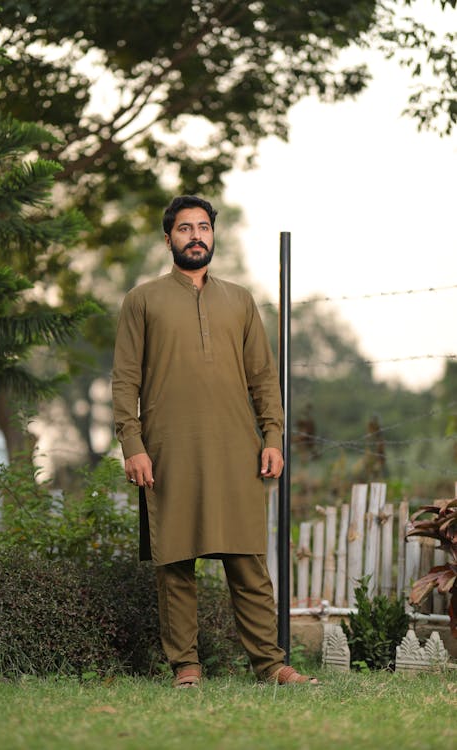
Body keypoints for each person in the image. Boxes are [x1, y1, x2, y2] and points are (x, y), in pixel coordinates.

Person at [112, 195, 318, 687]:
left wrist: (272, 435)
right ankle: (186, 666)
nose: (196, 236)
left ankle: (270, 665)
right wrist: (133, 445)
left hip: (235, 448)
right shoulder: (142, 300)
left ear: (212, 235)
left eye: (203, 227)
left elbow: (264, 378)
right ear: (169, 240)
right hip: (168, 449)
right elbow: (124, 380)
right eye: (185, 229)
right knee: (176, 561)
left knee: (247, 559)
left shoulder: (240, 300)